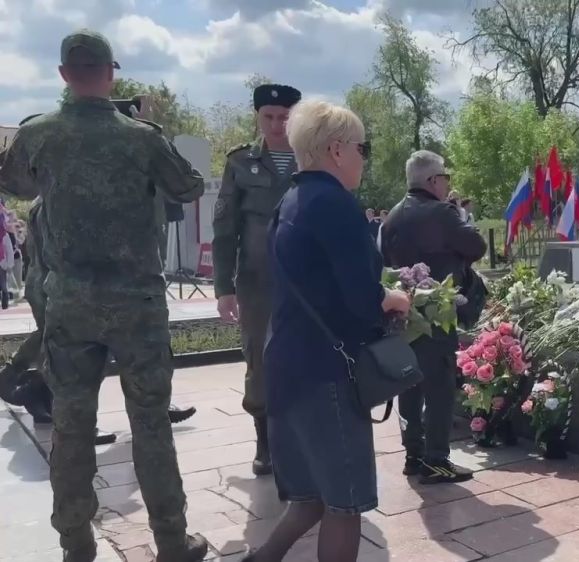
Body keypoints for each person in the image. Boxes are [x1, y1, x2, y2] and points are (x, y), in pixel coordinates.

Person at [0, 29, 207, 561]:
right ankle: (170, 542)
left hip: (69, 304)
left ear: (65, 75)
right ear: (111, 72)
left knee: (71, 423)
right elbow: (189, 186)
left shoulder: (38, 135)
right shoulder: (141, 138)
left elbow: (15, 186)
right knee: (151, 424)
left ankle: (76, 544)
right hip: (137, 306)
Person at [245, 100, 409, 562]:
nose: (364, 156)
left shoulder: (290, 200)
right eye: (363, 147)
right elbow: (361, 299)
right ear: (337, 150)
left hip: (287, 368)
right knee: (345, 502)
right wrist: (393, 300)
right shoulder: (334, 203)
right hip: (327, 373)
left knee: (311, 498)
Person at [0, 200, 197, 438]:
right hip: (60, 287)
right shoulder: (62, 195)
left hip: (79, 286)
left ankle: (151, 405)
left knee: (115, 344)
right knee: (82, 352)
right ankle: (66, 413)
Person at [381, 151, 487, 484]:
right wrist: (458, 215)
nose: (447, 183)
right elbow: (477, 246)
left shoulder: (392, 218)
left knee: (408, 386)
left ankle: (413, 455)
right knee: (439, 388)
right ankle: (437, 459)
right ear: (432, 181)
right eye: (445, 177)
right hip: (437, 314)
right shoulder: (442, 213)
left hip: (403, 315)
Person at [213, 83, 302, 476]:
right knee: (260, 360)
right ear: (258, 117)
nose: (277, 124)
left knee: (306, 357)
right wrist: (224, 288)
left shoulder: (312, 157)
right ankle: (264, 443)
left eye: (284, 117)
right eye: (269, 116)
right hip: (257, 282)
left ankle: (301, 438)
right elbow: (224, 228)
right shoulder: (240, 163)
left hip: (304, 281)